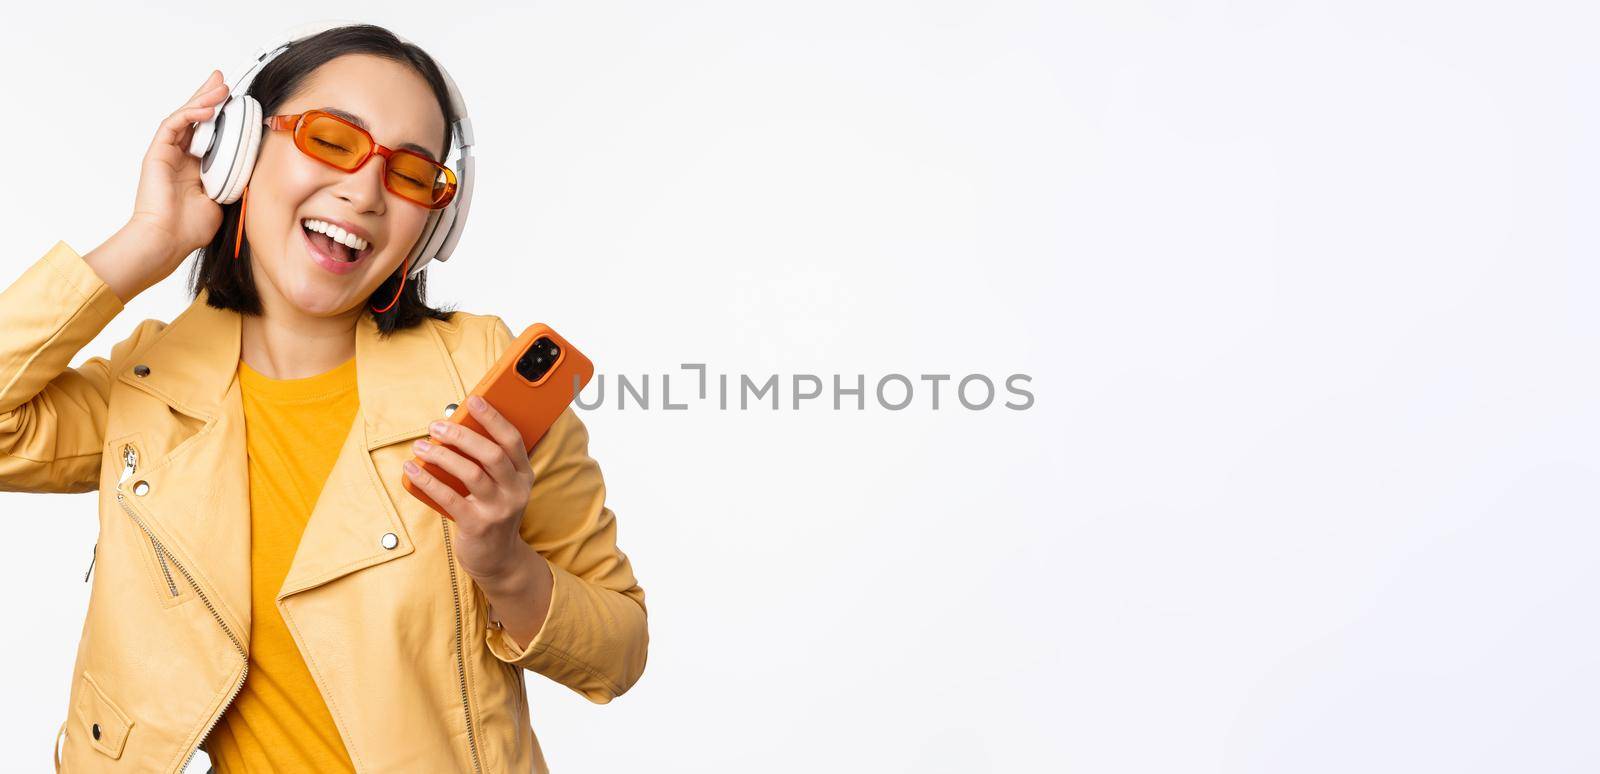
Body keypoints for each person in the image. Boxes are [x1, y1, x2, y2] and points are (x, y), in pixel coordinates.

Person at [0, 24, 648, 773]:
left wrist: (504, 566)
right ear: (239, 150)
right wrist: (148, 239)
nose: (366, 191)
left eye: (412, 175)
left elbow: (619, 651)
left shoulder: (482, 377)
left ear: (432, 226)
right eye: (333, 140)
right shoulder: (148, 384)